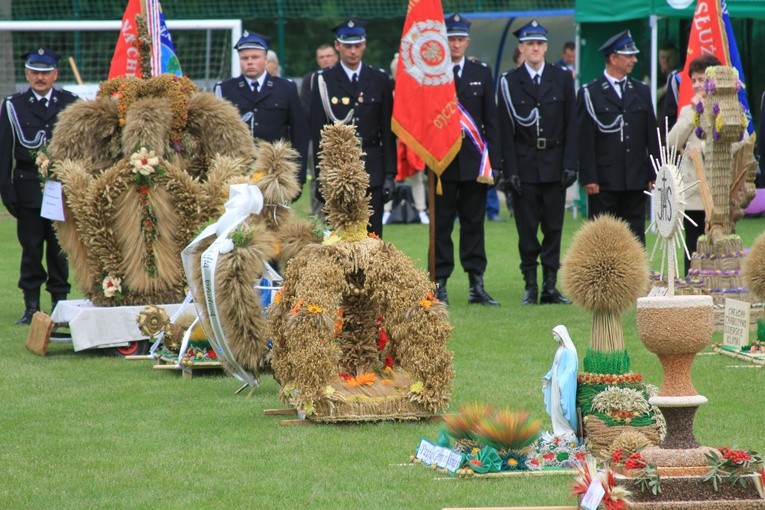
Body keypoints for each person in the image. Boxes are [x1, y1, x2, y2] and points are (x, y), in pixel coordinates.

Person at [498, 20, 577, 306]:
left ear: (546, 47)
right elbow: (504, 131)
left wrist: (571, 163)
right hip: (525, 163)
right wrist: (510, 170)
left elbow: (572, 123)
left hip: (555, 163)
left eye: (540, 43)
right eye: (529, 43)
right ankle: (530, 285)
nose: (535, 48)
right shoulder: (509, 82)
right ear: (521, 48)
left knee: (554, 228)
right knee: (527, 229)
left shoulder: (562, 78)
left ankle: (550, 287)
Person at [0, 48, 78, 324]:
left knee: (59, 250)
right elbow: (4, 150)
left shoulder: (70, 102)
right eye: (34, 72)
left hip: (60, 189)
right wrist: (5, 188)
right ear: (26, 74)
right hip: (27, 189)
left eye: (45, 72)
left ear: (55, 74)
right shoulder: (13, 105)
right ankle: (31, 306)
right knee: (31, 248)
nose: (40, 77)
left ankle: (60, 305)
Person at [432, 13, 501, 306]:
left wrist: (494, 161)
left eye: (460, 39)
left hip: (474, 164)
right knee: (442, 226)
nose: (456, 44)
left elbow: (491, 121)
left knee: (474, 225)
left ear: (467, 42)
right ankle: (440, 285)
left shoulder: (481, 72)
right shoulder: (432, 75)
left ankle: (476, 285)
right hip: (442, 163)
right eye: (451, 39)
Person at [309, 19, 396, 237]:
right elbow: (318, 132)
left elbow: (387, 130)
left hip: (372, 166)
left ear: (364, 45)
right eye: (348, 46)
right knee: (340, 235)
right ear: (337, 46)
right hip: (338, 167)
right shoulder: (323, 80)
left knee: (373, 233)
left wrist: (390, 175)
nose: (353, 51)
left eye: (358, 45)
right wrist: (320, 177)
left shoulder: (380, 79)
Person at [577, 30, 659, 245]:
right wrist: (589, 177)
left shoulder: (641, 91)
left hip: (635, 176)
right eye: (629, 55)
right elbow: (585, 140)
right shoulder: (590, 93)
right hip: (604, 180)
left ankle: (635, 278)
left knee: (635, 237)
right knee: (602, 238)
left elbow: (651, 133)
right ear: (613, 59)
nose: (634, 60)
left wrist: (654, 170)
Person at [214, 32, 309, 190]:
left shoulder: (286, 88)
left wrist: (298, 176)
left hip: (275, 172)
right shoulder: (225, 90)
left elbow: (299, 133)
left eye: (255, 57)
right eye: (245, 58)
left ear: (265, 59)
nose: (250, 62)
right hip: (238, 172)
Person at [666, 55, 723, 275]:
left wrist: (705, 151)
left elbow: (740, 143)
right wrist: (693, 116)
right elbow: (672, 143)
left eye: (702, 79)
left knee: (718, 247)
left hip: (717, 191)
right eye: (694, 80)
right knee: (692, 248)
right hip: (692, 195)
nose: (698, 85)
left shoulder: (726, 108)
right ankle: (692, 292)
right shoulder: (688, 112)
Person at [384, 52, 428, 226]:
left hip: (412, 140)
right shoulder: (387, 90)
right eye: (397, 70)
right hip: (393, 140)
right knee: (390, 174)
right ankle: (386, 211)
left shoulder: (415, 91)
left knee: (416, 175)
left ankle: (421, 210)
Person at [542, 324, 578, 440]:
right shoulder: (560, 349)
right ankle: (558, 429)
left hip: (561, 384)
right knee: (555, 406)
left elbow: (571, 369)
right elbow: (555, 366)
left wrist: (561, 381)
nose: (554, 338)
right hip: (555, 382)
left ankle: (566, 429)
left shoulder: (569, 352)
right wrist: (547, 377)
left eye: (555, 335)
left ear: (561, 335)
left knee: (560, 405)